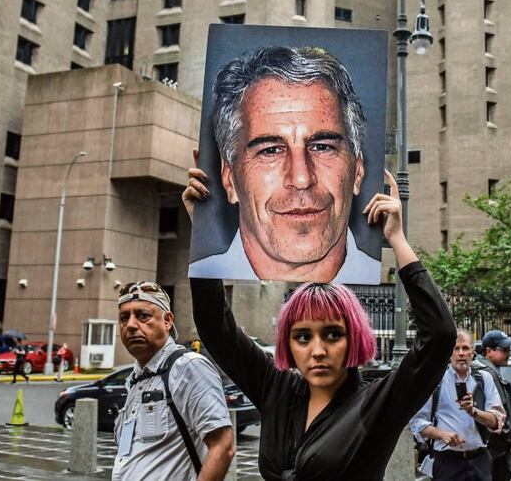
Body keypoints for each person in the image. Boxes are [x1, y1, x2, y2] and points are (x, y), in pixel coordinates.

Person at [185, 167, 456, 480]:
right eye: (302, 337)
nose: (317, 351)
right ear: (287, 343)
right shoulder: (276, 389)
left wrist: (397, 240)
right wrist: (204, 232)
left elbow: (440, 335)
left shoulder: (378, 403)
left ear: (353, 338)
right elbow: (214, 325)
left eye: (332, 334)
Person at [187, 46, 381, 283]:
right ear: (229, 179)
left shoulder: (390, 282)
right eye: (270, 151)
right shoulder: (203, 277)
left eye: (322, 147)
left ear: (358, 170)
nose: (301, 179)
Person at [113, 280, 234, 481]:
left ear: (167, 320)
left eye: (142, 316)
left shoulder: (187, 367)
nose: (131, 325)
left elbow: (223, 446)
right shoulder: (135, 379)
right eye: (124, 318)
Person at [411, 330, 505, 481]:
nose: (461, 353)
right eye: (456, 348)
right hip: (447, 461)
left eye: (466, 348)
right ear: (449, 353)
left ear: (473, 353)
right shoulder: (436, 381)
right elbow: (417, 422)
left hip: (479, 459)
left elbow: (496, 421)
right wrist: (442, 434)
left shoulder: (484, 379)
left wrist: (473, 411)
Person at [474, 330, 511, 481]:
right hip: (498, 449)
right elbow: (501, 413)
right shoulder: (489, 372)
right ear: (489, 351)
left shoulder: (489, 370)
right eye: (505, 350)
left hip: (496, 448)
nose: (510, 353)